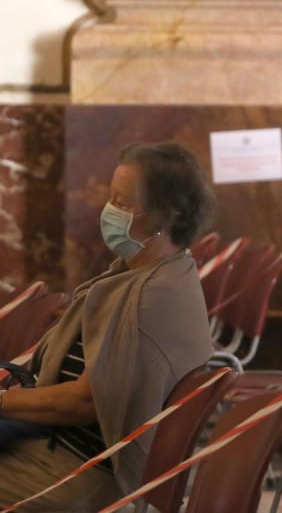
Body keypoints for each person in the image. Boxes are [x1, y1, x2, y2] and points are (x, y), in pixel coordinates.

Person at [0, 143, 215, 511]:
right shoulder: (152, 274)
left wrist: (5, 401)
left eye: (124, 204)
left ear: (166, 216)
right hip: (59, 448)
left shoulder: (154, 296)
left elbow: (86, 402)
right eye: (111, 199)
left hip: (79, 472)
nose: (109, 212)